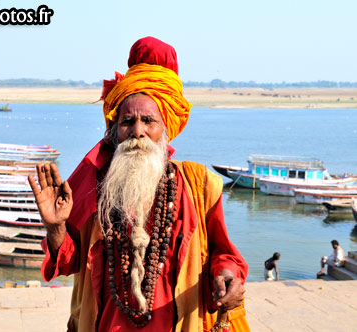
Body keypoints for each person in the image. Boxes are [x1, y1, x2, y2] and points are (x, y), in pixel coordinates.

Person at [29, 36, 249, 332]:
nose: (138, 132)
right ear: (114, 130)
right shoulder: (95, 184)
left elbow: (225, 254)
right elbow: (67, 263)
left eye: (149, 120)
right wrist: (55, 227)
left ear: (166, 128)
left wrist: (227, 274)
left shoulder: (199, 186)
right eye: (127, 122)